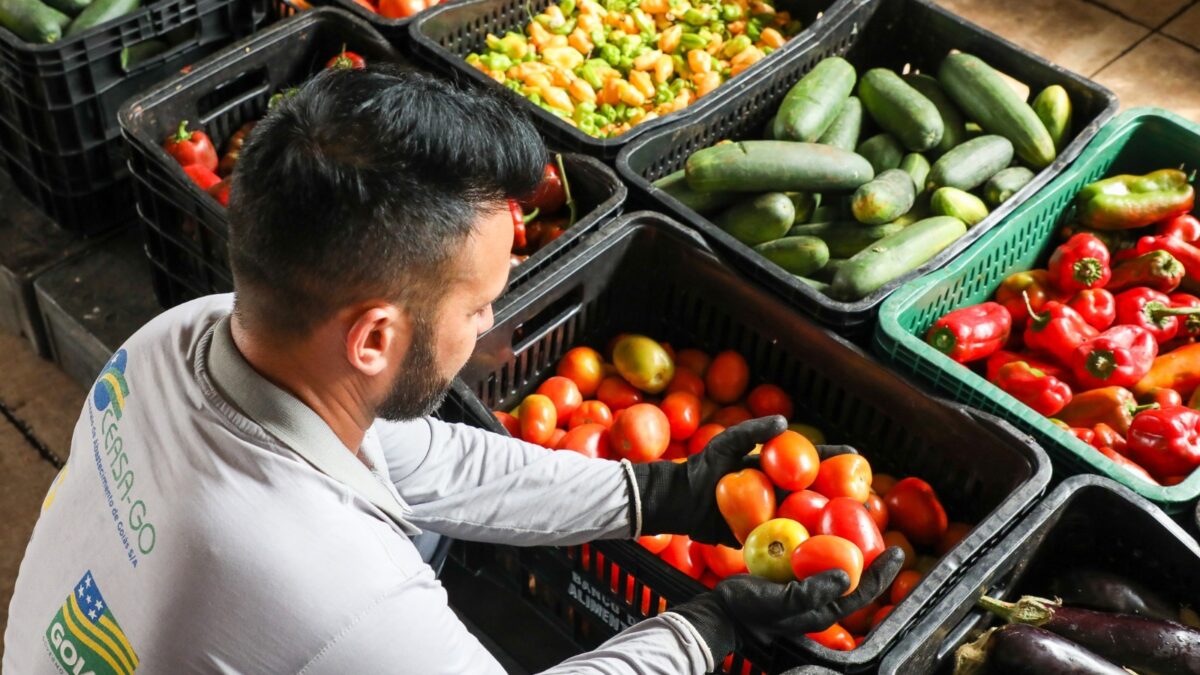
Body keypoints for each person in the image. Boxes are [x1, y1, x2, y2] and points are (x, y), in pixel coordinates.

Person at [4, 66, 900, 673]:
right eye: (476, 310)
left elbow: (424, 458)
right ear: (372, 340)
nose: (487, 332)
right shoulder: (346, 599)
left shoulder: (186, 336)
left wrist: (654, 492)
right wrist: (709, 633)